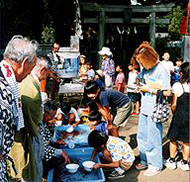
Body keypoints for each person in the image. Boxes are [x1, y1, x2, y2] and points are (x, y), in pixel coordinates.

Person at [0, 35, 38, 182]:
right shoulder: (4, 92)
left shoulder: (6, 79)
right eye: (31, 68)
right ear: (23, 63)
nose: (30, 73)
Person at [8, 56, 51, 181]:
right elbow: (28, 112)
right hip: (29, 135)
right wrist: (35, 131)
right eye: (47, 74)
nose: (46, 78)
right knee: (31, 170)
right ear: (43, 69)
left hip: (28, 133)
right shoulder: (30, 84)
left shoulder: (29, 81)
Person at [131, 43, 171, 176]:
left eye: (142, 61)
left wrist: (150, 90)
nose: (140, 63)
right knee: (142, 136)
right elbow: (142, 82)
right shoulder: (145, 69)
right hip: (145, 107)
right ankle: (144, 159)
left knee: (153, 138)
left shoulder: (161, 69)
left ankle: (155, 164)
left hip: (155, 109)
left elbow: (167, 92)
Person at [164, 62, 190, 171]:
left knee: (173, 138)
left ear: (181, 73)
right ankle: (184, 162)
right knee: (187, 140)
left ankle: (172, 160)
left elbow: (174, 105)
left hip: (179, 116)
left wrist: (173, 111)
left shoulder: (177, 85)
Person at [41, 100, 70, 178]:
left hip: (44, 148)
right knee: (56, 162)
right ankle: (45, 173)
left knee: (57, 146)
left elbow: (47, 137)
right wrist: (61, 152)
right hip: (38, 154)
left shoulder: (43, 121)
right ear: (45, 112)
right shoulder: (38, 124)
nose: (53, 118)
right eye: (52, 115)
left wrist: (56, 141)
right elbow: (43, 148)